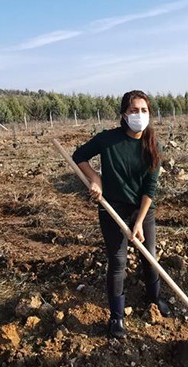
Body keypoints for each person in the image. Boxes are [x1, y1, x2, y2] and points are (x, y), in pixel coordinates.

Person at [72, 90, 170, 339]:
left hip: (142, 210)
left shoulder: (153, 145)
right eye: (134, 110)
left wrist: (138, 223)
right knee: (118, 264)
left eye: (144, 110)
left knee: (149, 257)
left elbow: (150, 189)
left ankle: (154, 300)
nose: (139, 115)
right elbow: (78, 156)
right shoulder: (107, 140)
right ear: (124, 115)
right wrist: (96, 180)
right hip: (112, 209)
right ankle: (116, 317)